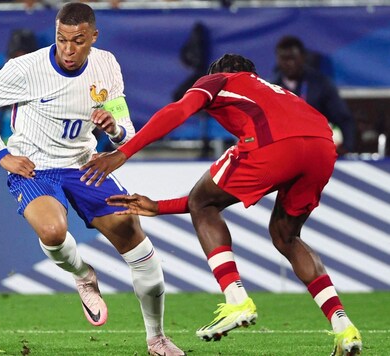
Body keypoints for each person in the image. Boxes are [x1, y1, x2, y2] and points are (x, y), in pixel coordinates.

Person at [80, 54, 362, 356]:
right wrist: (159, 207)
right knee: (286, 236)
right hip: (322, 145)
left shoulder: (221, 79)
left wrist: (122, 153)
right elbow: (206, 202)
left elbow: (177, 111)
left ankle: (236, 299)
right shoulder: (278, 93)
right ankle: (344, 327)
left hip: (275, 143)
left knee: (203, 200)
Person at [0, 3, 185, 355]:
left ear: (93, 38)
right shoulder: (26, 68)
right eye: (61, 40)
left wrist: (114, 130)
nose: (68, 50)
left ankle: (157, 338)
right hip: (35, 167)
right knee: (53, 231)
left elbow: (125, 129)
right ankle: (83, 275)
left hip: (84, 164)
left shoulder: (106, 64)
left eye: (78, 41)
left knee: (133, 235)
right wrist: (2, 155)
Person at [272, 35, 356, 155]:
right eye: (284, 59)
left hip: (316, 150)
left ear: (302, 57)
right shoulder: (271, 87)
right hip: (283, 151)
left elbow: (343, 117)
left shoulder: (320, 84)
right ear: (278, 60)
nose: (289, 63)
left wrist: (347, 147)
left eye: (293, 58)